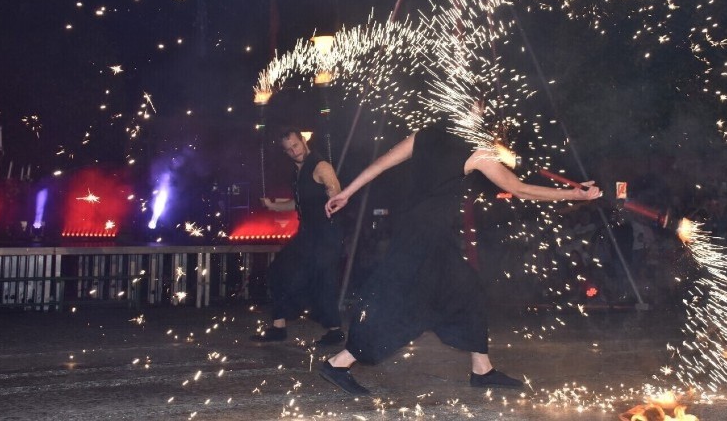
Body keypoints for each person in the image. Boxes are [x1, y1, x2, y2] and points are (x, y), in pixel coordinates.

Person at [318, 122, 601, 395]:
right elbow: (519, 189)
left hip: (418, 233)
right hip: (426, 240)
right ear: (472, 112)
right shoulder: (476, 153)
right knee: (400, 305)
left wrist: (347, 193)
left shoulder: (424, 135)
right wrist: (574, 193)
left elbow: (380, 164)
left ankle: (482, 369)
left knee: (468, 290)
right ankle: (338, 363)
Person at [254, 127, 345, 346]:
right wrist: (274, 206)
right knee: (278, 270)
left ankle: (335, 330)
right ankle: (279, 326)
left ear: (303, 141)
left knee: (323, 280)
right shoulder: (298, 172)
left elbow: (336, 194)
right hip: (307, 233)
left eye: (296, 145)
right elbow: (300, 203)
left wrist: (333, 196)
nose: (294, 151)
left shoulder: (321, 166)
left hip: (326, 233)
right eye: (289, 149)